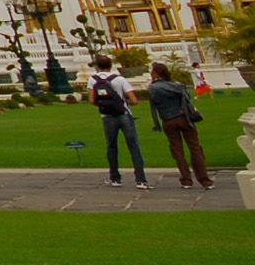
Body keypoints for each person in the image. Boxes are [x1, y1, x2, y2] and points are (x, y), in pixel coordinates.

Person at [87, 54, 151, 188]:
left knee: (111, 146)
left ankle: (115, 178)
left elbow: (92, 100)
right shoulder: (119, 79)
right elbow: (134, 100)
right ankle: (140, 180)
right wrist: (122, 103)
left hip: (107, 116)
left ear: (98, 66)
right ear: (111, 65)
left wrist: (105, 105)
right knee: (134, 147)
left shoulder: (93, 80)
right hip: (124, 114)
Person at [146, 61, 211, 189]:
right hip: (184, 118)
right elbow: (188, 97)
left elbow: (154, 102)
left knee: (177, 150)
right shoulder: (177, 85)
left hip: (168, 120)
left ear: (156, 73)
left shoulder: (153, 88)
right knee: (195, 148)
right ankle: (204, 180)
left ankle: (186, 180)